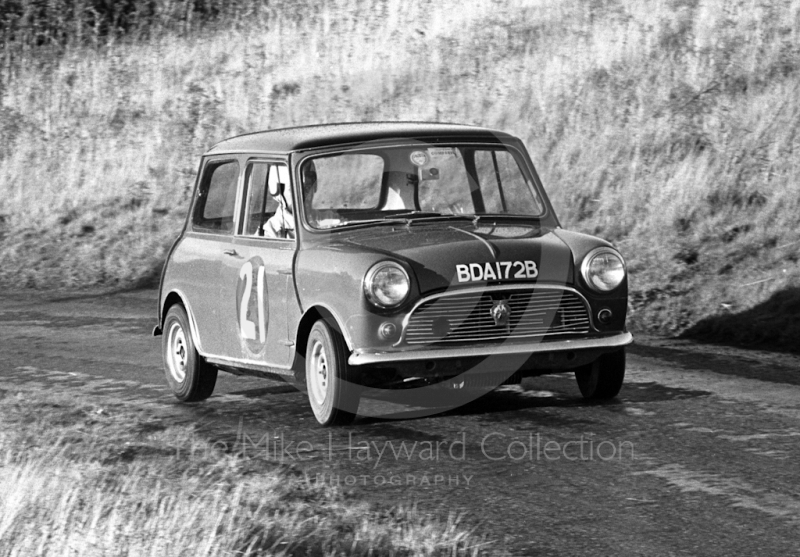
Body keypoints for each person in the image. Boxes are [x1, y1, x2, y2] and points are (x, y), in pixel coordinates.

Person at [263, 162, 317, 238]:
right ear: (280, 194)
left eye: (308, 187)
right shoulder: (271, 231)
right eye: (294, 189)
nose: (303, 194)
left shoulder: (329, 219)